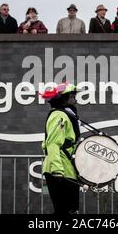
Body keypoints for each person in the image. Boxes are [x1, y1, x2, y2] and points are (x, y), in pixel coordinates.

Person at [40, 83, 81, 214]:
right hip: (59, 170)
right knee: (64, 211)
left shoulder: (65, 116)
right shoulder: (59, 116)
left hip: (67, 169)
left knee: (70, 210)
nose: (75, 100)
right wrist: (57, 170)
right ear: (65, 98)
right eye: (73, 96)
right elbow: (53, 144)